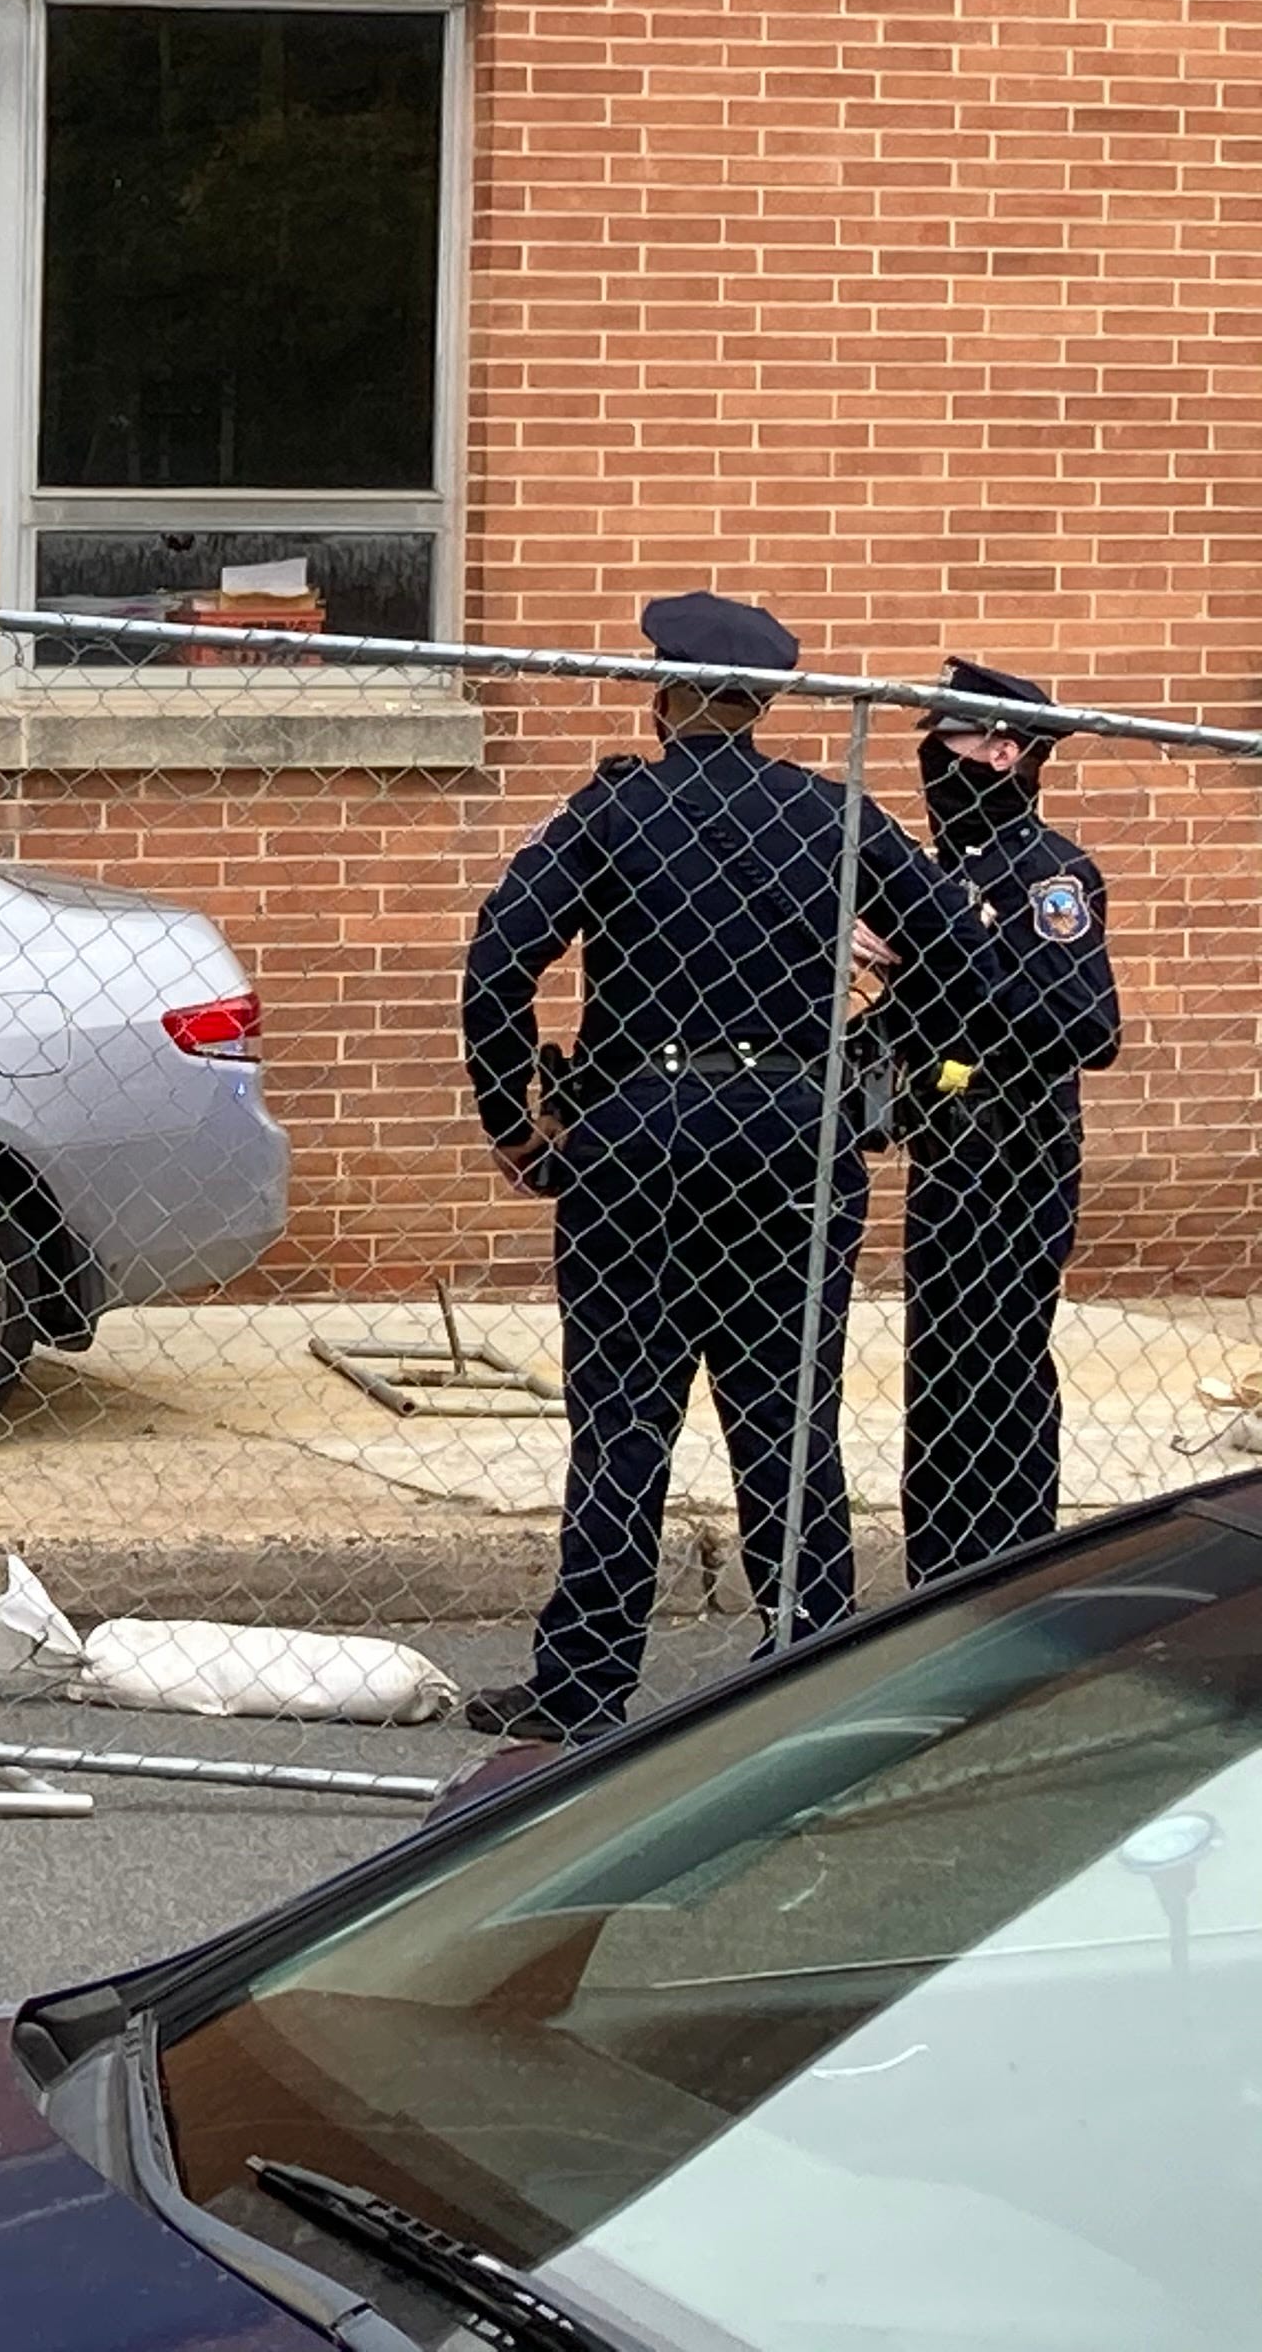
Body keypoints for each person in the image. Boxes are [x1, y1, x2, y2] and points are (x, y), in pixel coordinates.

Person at [457, 592, 1008, 1743]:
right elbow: (964, 959)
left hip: (639, 1137)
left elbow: (500, 959)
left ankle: (584, 1687)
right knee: (788, 1417)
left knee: (622, 1420)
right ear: (759, 707)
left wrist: (514, 1117)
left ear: (665, 698)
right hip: (793, 1142)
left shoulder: (616, 812)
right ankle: (805, 1667)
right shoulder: (830, 815)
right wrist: (877, 1069)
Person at [877, 660, 1119, 1587]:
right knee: (938, 1366)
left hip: (1018, 1152)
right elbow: (926, 1013)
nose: (929, 763)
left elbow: (1085, 1026)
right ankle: (938, 1577)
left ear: (1002, 751)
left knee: (999, 1364)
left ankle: (1011, 1571)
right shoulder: (946, 874)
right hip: (945, 1147)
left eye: (945, 741)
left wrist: (944, 951)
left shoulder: (1046, 873)